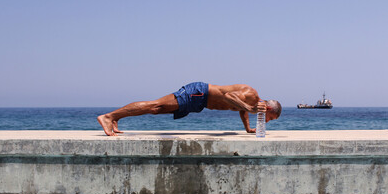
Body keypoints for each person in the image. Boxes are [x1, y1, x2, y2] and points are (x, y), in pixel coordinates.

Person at [97, 82, 282, 136]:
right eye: (270, 118)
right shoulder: (251, 93)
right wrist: (249, 107)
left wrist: (247, 128)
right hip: (199, 93)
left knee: (155, 110)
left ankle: (116, 118)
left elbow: (241, 110)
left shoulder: (251, 105)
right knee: (156, 105)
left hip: (199, 103)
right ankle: (109, 116)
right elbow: (228, 96)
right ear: (267, 108)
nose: (266, 121)